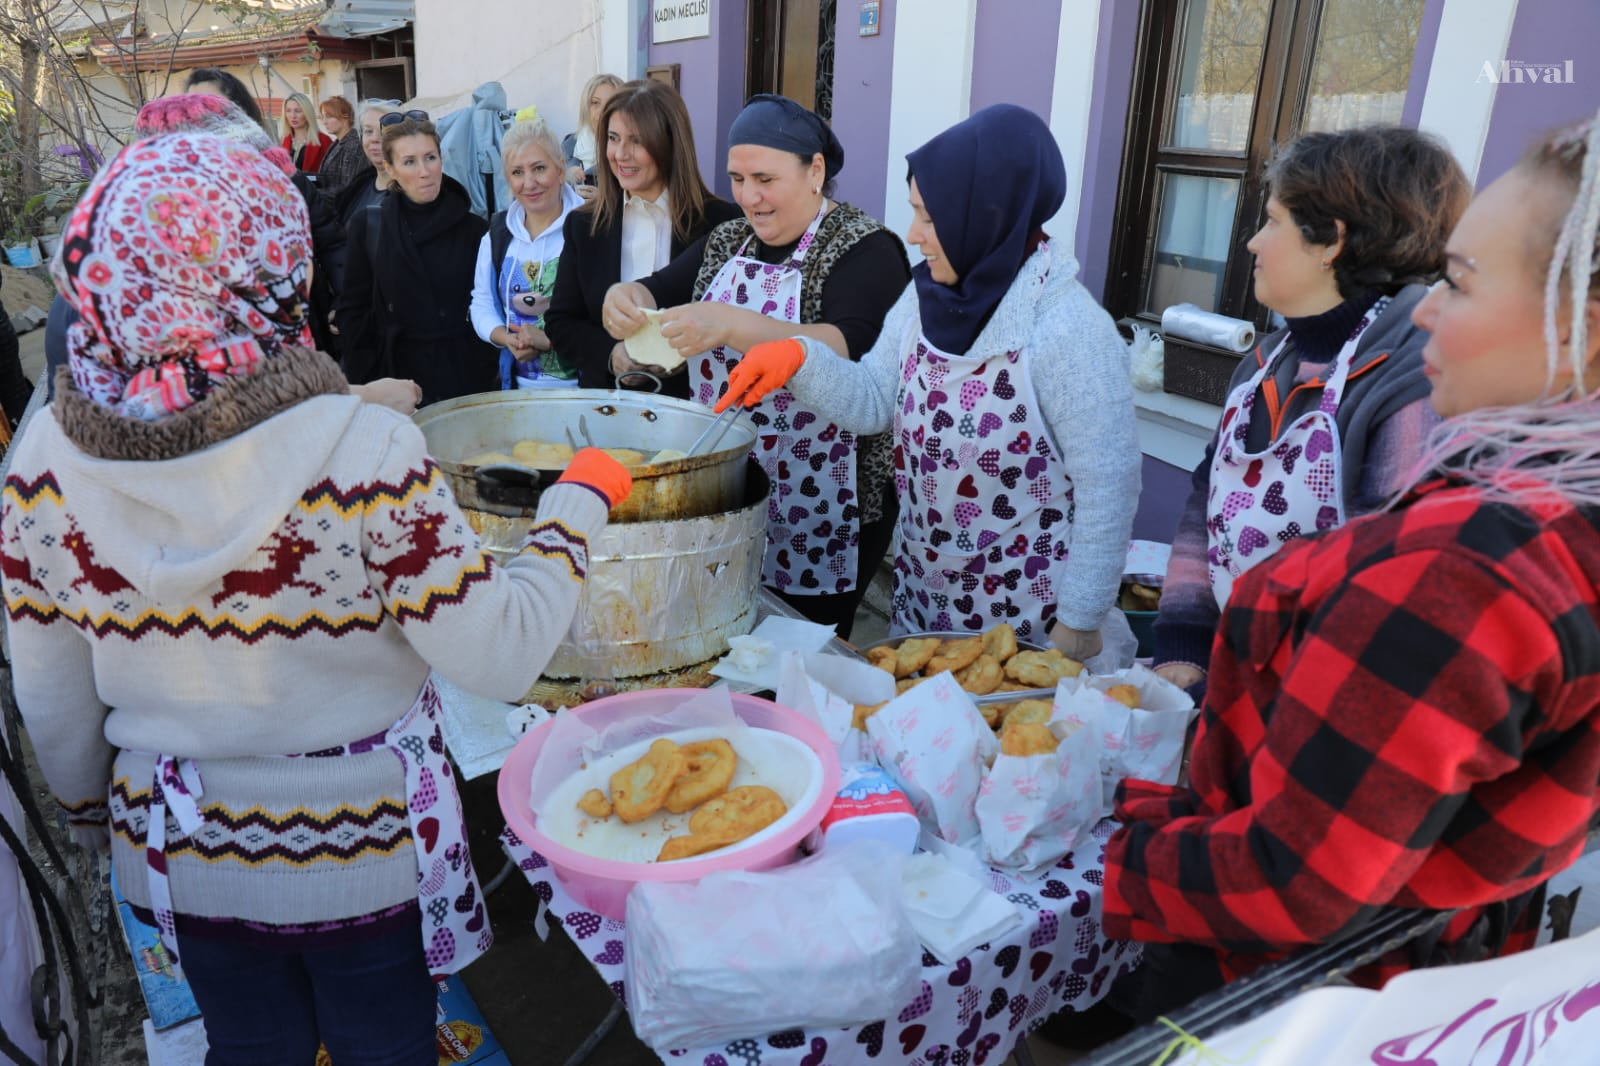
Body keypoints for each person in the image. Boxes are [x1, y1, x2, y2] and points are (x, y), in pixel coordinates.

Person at [2, 130, 634, 1063]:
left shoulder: (44, 460)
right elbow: (499, 653)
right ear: (277, 263)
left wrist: (98, 818)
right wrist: (578, 502)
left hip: (179, 846)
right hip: (361, 859)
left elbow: (53, 699)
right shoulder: (359, 451)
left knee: (249, 1050)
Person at [1102, 113, 1600, 1022]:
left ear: (1581, 332)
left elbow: (1297, 877)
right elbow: (1204, 507)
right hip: (1411, 943)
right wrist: (1183, 644)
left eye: (1459, 280)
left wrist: (1109, 845)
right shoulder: (1275, 356)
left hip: (1314, 984)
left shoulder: (1470, 572)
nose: (1429, 309)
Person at [716, 104, 1139, 651]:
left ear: (985, 215)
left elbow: (1110, 485)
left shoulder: (1068, 329)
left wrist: (1079, 623)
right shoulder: (924, 298)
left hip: (1031, 626)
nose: (913, 234)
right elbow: (873, 400)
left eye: (930, 218)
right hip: (924, 607)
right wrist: (799, 359)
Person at [1151, 127, 1470, 698]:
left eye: (1272, 221)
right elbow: (1207, 502)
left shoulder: (1414, 381)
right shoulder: (1265, 364)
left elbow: (1389, 594)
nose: (1252, 243)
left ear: (1332, 241)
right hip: (1226, 684)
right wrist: (1184, 647)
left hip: (1311, 707)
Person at [603, 93, 910, 636]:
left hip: (828, 509)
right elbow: (659, 289)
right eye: (737, 179)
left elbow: (854, 348)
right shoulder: (727, 240)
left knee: (799, 656)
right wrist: (626, 297)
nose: (749, 197)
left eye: (764, 179)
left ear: (815, 171)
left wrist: (731, 325)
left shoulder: (867, 249)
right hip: (732, 492)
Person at [546, 79, 741, 399]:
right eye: (613, 138)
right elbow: (560, 322)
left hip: (696, 412)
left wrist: (687, 353)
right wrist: (612, 355)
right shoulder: (583, 225)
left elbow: (739, 322)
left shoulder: (722, 223)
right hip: (608, 409)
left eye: (636, 141)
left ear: (669, 144)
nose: (621, 154)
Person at [339, 111, 499, 405]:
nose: (424, 171)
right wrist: (370, 386)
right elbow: (354, 313)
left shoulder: (475, 229)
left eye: (430, 157)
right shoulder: (370, 227)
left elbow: (488, 305)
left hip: (464, 381)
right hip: (397, 382)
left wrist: (482, 369)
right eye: (409, 162)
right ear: (391, 168)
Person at [469, 118, 586, 390]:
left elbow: (601, 317)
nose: (529, 182)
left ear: (560, 169)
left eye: (539, 168)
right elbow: (481, 302)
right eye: (518, 172)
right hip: (517, 392)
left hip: (582, 392)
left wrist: (550, 340)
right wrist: (504, 337)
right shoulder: (498, 235)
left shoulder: (589, 229)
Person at [332, 99, 398, 227]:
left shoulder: (410, 193)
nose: (374, 139)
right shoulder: (359, 185)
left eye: (384, 132)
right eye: (368, 131)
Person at [563, 73, 623, 192]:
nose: (602, 112)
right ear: (586, 108)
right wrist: (565, 178)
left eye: (611, 104)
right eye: (595, 103)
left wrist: (604, 201)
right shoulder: (570, 145)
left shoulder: (628, 151)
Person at [316, 95, 364, 193]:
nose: (324, 122)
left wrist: (317, 193)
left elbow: (348, 186)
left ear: (344, 117)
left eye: (329, 117)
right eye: (323, 117)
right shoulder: (338, 143)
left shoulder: (353, 145)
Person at [280, 92, 332, 175]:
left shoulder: (324, 141)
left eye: (298, 111)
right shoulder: (283, 141)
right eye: (288, 111)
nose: (293, 116)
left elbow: (330, 177)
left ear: (307, 113)